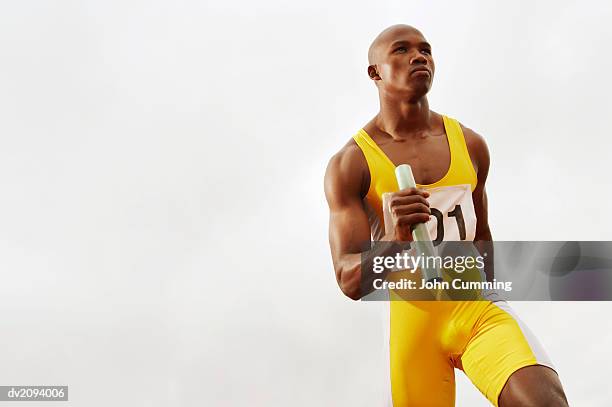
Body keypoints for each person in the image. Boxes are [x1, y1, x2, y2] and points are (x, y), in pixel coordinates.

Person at [324, 24, 569, 406]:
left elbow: (482, 238)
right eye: (401, 50)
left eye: (426, 49)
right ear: (375, 73)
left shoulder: (470, 145)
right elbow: (349, 280)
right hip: (414, 327)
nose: (418, 56)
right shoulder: (351, 164)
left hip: (475, 306)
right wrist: (393, 240)